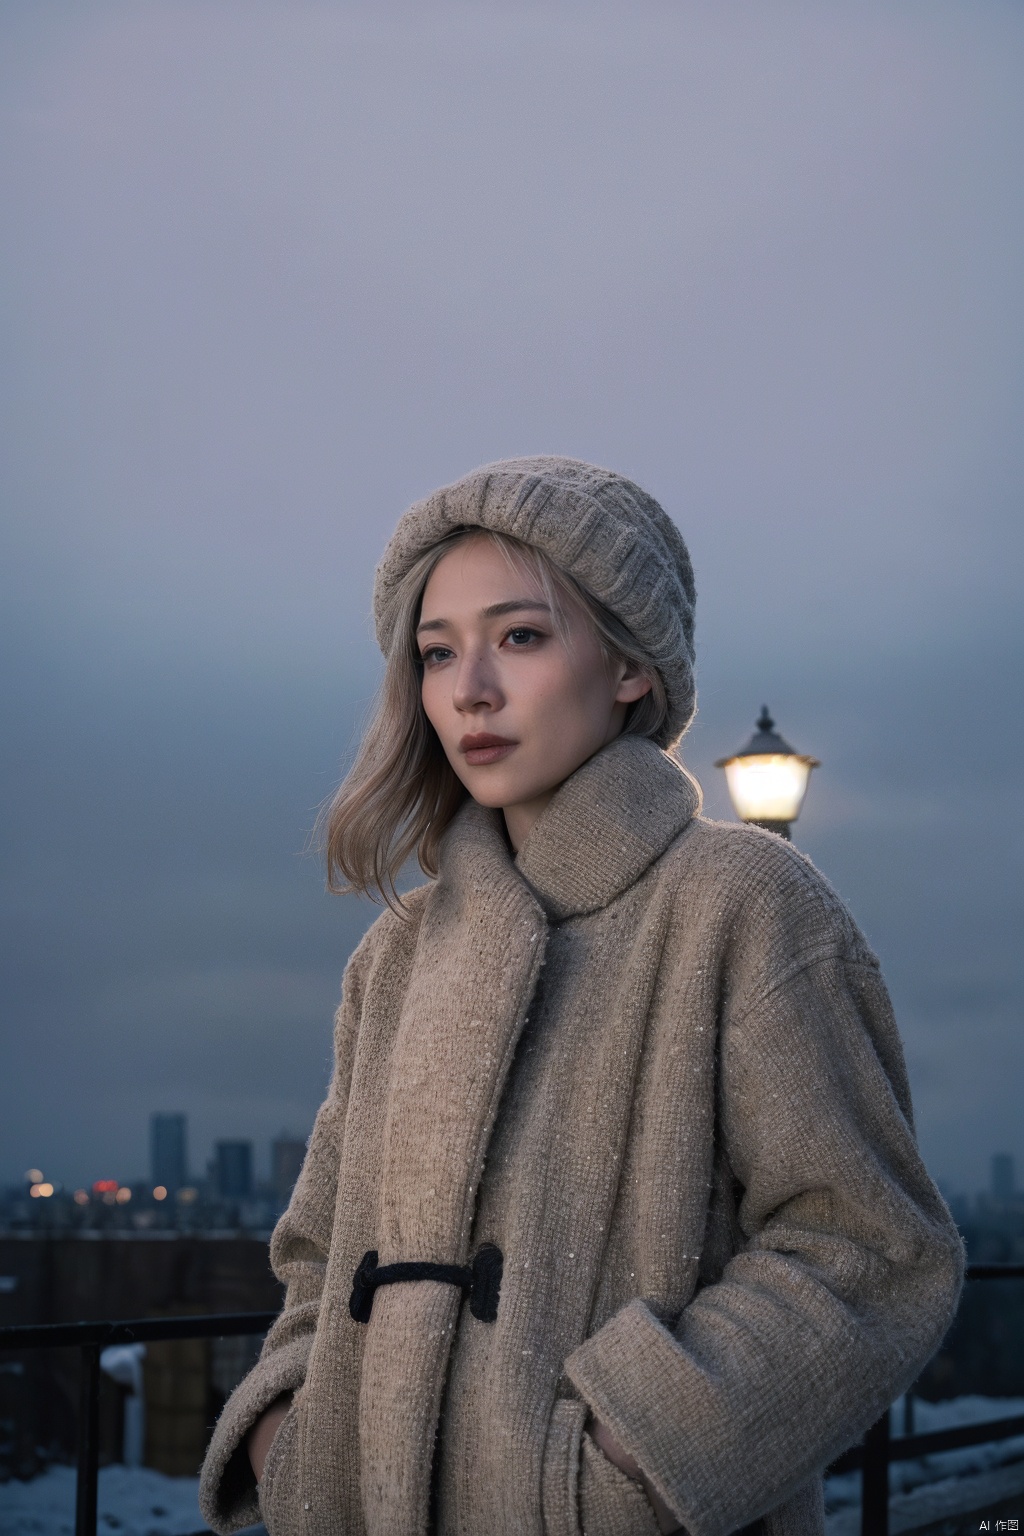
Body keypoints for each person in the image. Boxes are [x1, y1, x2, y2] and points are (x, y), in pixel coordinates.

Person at [198, 457, 964, 1536]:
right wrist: (293, 1437)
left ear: (628, 669)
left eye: (519, 637)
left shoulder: (740, 903)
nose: (469, 689)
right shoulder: (398, 952)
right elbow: (320, 1252)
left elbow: (867, 1250)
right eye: (436, 652)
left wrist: (620, 1461)